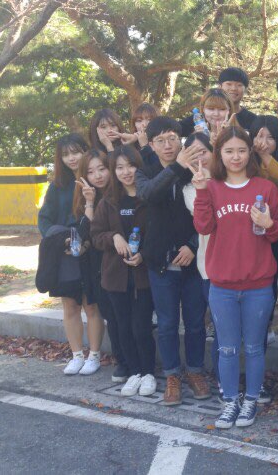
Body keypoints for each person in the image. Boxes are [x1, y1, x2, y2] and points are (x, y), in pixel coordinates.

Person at [191, 125, 278, 429]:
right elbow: (203, 227)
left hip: (258, 285)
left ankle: (251, 401)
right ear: (219, 154)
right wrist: (201, 191)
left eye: (242, 150)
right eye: (229, 151)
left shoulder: (266, 188)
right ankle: (230, 400)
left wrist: (269, 224)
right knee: (228, 349)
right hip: (222, 285)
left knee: (255, 347)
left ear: (250, 153)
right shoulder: (212, 187)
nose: (236, 157)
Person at [135, 116, 210, 407]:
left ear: (181, 139)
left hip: (193, 262)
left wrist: (193, 245)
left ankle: (195, 371)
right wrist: (177, 166)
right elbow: (150, 194)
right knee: (166, 324)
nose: (168, 145)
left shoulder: (198, 169)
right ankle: (172, 376)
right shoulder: (145, 170)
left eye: (172, 139)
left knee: (195, 323)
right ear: (151, 145)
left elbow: (207, 212)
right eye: (160, 140)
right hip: (161, 263)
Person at [38, 134, 107, 377]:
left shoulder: (97, 181)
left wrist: (84, 240)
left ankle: (94, 355)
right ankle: (76, 355)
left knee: (91, 304)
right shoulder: (57, 186)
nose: (71, 158)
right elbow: (44, 219)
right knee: (70, 305)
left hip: (90, 250)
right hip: (64, 252)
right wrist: (60, 240)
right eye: (65, 154)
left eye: (76, 151)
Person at [91, 145, 157, 397]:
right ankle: (134, 372)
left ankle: (148, 372)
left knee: (141, 326)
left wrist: (144, 254)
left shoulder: (149, 197)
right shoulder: (108, 201)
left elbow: (159, 234)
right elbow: (96, 235)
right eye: (119, 167)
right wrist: (114, 237)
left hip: (143, 276)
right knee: (123, 327)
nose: (126, 172)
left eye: (131, 166)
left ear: (139, 167)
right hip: (115, 276)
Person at [249, 114, 278, 402]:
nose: (263, 142)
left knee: (275, 278)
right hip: (250, 231)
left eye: (269, 137)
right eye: (258, 136)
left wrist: (266, 157)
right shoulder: (246, 160)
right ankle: (262, 326)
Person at [67, 148, 112, 376]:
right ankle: (81, 356)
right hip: (89, 261)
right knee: (82, 305)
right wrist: (89, 202)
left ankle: (96, 355)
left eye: (102, 169)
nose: (98, 175)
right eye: (91, 172)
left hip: (112, 261)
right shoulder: (83, 196)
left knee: (105, 310)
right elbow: (86, 232)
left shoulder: (117, 194)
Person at [181, 133, 219, 389]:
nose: (199, 158)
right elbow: (206, 219)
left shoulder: (230, 181)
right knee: (214, 325)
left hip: (235, 265)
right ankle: (219, 380)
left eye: (203, 151)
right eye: (192, 153)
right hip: (208, 266)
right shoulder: (189, 189)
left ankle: (227, 378)